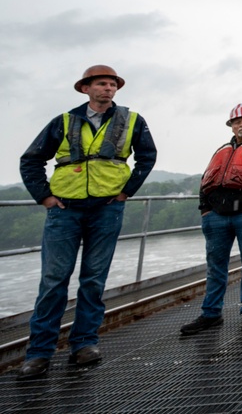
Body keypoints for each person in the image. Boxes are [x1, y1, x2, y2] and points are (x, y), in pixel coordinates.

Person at [18, 65, 157, 378]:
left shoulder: (132, 120)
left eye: (112, 84)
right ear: (85, 88)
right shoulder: (64, 121)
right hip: (64, 209)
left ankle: (84, 344)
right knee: (54, 280)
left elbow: (147, 157)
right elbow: (31, 160)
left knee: (93, 279)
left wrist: (126, 192)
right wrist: (44, 197)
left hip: (107, 207)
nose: (107, 89)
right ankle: (39, 353)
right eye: (101, 84)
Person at [180, 104, 242, 335]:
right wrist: (205, 210)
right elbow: (206, 179)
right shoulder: (221, 150)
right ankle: (211, 313)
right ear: (231, 126)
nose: (241, 125)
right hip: (215, 217)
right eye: (237, 122)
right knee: (215, 267)